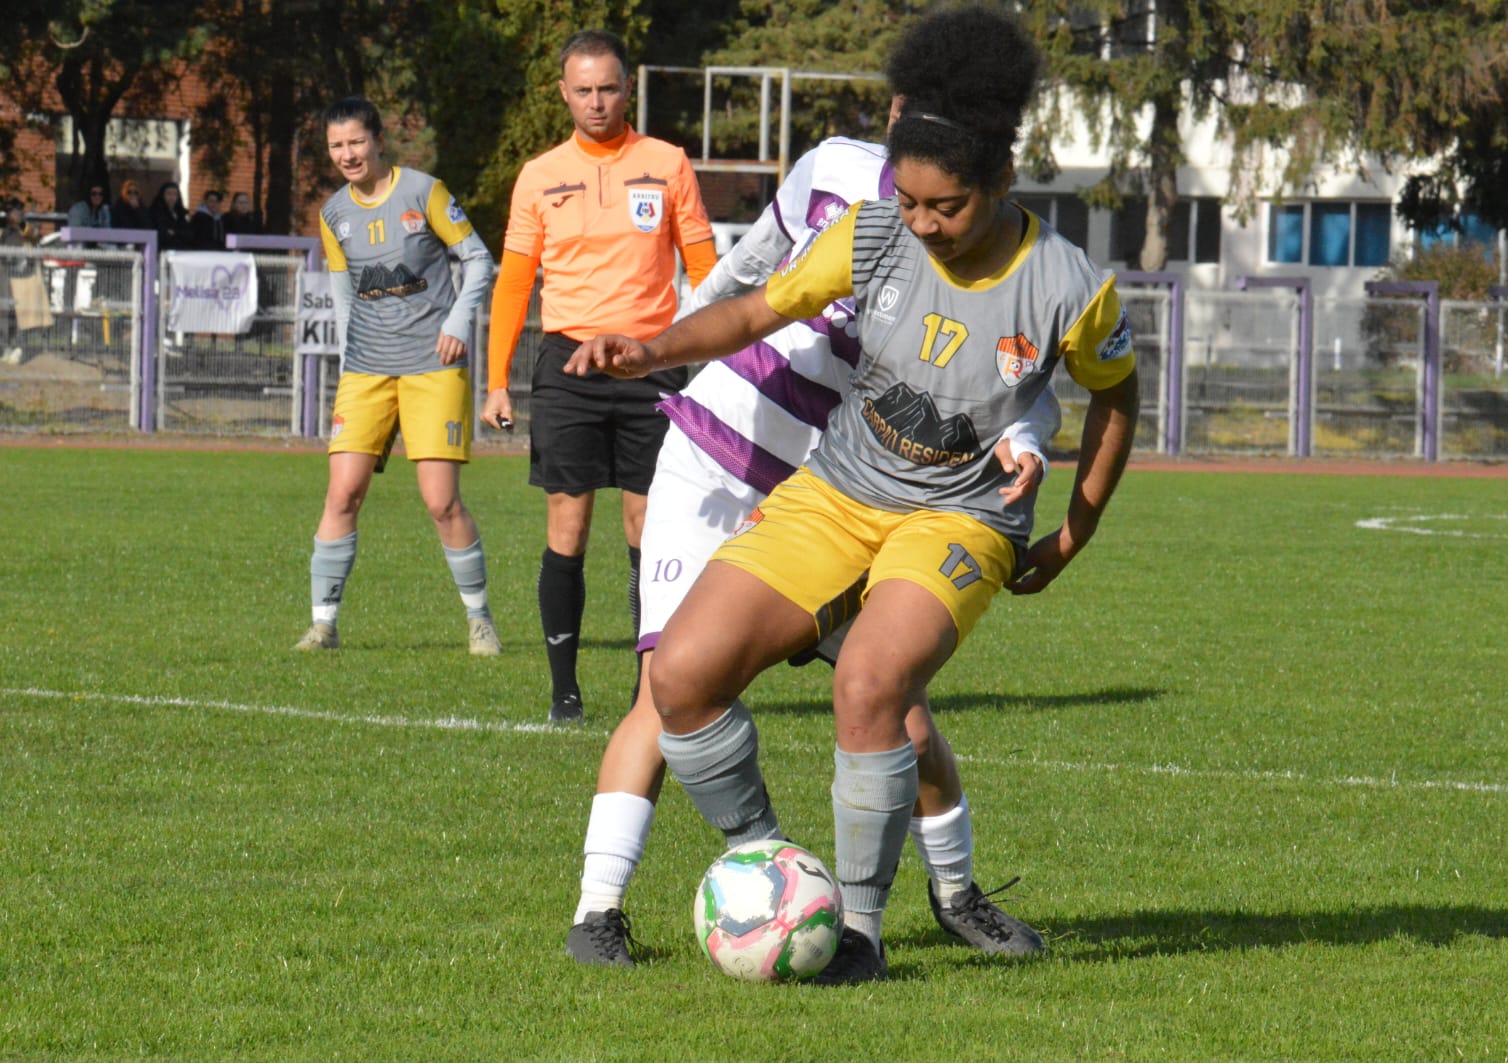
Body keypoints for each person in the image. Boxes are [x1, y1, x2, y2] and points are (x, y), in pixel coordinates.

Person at [566, 5, 1140, 984]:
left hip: (958, 517)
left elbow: (1115, 398)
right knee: (682, 674)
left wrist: (1072, 531)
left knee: (870, 686)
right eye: (907, 200)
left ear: (1001, 180)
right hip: (834, 491)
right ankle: (772, 863)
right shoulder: (872, 234)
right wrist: (648, 348)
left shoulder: (1068, 285)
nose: (921, 224)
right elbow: (755, 309)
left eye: (945, 207)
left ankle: (863, 937)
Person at [479, 28, 717, 723]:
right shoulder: (539, 174)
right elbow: (514, 285)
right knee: (568, 523)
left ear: (626, 89)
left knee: (650, 527)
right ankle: (565, 692)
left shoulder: (667, 163)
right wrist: (497, 380)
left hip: (652, 365)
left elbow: (706, 272)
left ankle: (650, 690)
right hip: (568, 366)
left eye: (607, 88)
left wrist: (722, 361)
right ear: (563, 93)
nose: (596, 102)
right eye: (583, 90)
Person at [295, 96, 501, 657]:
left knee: (441, 502)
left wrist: (458, 321)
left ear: (378, 141)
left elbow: (478, 260)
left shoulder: (423, 192)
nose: (347, 154)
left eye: (356, 142)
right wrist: (348, 355)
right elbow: (343, 292)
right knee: (342, 493)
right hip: (366, 370)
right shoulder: (333, 213)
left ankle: (479, 620)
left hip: (432, 367)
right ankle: (323, 626)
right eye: (336, 146)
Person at [2, 197, 55, 364]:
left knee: (22, 313)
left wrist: (22, 224)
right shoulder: (4, 231)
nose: (16, 214)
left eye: (18, 211)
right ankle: (6, 346)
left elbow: (35, 235)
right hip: (6, 276)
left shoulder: (25, 227)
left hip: (23, 277)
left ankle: (19, 347)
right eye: (13, 211)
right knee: (5, 312)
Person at [149, 181, 192, 251]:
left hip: (181, 251)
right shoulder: (155, 212)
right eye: (168, 194)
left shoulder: (181, 213)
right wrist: (178, 233)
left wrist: (174, 232)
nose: (172, 197)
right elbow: (162, 234)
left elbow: (188, 235)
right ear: (162, 195)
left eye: (175, 194)